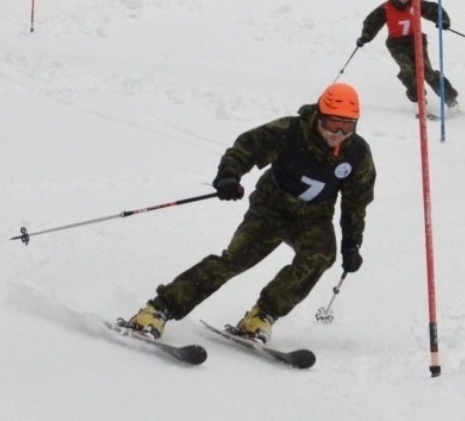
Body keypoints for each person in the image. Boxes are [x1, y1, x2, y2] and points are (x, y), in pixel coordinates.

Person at [121, 83, 376, 344]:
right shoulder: (290, 132)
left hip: (314, 218)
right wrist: (228, 177)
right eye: (332, 124)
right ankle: (158, 309)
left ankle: (261, 316)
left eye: (347, 126)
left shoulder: (357, 154)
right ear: (319, 116)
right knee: (235, 260)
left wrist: (352, 245)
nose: (338, 133)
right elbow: (245, 149)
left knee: (321, 255)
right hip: (270, 209)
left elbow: (356, 204)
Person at [357, 0, 459, 109]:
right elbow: (372, 22)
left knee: (426, 71)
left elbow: (434, 9)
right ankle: (420, 101)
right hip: (396, 44)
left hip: (416, 40)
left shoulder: (416, 3)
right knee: (408, 71)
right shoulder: (386, 8)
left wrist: (443, 20)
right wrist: (366, 36)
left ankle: (450, 99)